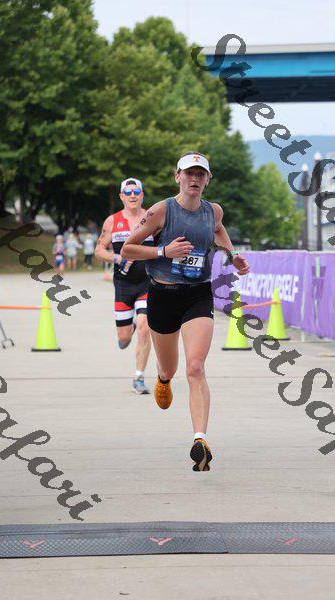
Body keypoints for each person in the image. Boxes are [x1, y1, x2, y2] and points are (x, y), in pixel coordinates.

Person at [121, 152, 250, 471]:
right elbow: (128, 249)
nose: (194, 179)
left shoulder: (213, 211)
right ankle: (163, 378)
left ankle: (200, 440)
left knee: (195, 367)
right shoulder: (160, 211)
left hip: (197, 296)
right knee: (170, 367)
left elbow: (218, 230)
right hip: (162, 295)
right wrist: (164, 250)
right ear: (177, 176)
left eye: (200, 174)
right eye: (189, 173)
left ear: (207, 179)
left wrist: (231, 255)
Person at [95, 178, 153, 394]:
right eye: (127, 192)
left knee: (145, 327)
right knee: (124, 338)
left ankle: (139, 377)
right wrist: (117, 258)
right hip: (123, 286)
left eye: (136, 191)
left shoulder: (152, 218)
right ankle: (129, 329)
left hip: (147, 283)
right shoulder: (112, 221)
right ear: (121, 196)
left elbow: (162, 247)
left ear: (142, 195)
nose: (132, 195)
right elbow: (99, 250)